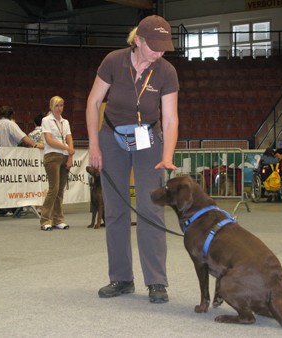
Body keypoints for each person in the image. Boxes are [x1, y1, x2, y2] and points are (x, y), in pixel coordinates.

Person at [86, 15, 179, 304]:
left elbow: (170, 117)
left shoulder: (166, 71)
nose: (160, 52)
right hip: (111, 137)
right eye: (155, 46)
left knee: (151, 209)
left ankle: (156, 281)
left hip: (149, 140)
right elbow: (93, 103)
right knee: (115, 210)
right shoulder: (113, 61)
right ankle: (121, 278)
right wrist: (93, 146)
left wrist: (167, 156)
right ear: (138, 40)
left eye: (165, 47)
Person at [0, 106, 43, 216]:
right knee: (11, 183)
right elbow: (23, 137)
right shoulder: (10, 124)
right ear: (11, 115)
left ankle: (0, 209)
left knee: (0, 183)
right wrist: (34, 144)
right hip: (9, 157)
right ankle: (12, 208)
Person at [40, 96, 75, 231]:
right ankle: (45, 220)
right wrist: (67, 147)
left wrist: (70, 156)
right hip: (52, 156)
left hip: (65, 157)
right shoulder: (46, 120)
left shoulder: (65, 122)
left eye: (61, 105)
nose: (59, 108)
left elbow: (69, 138)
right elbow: (49, 140)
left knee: (60, 190)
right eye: (57, 106)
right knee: (53, 189)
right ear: (51, 107)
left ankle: (58, 219)